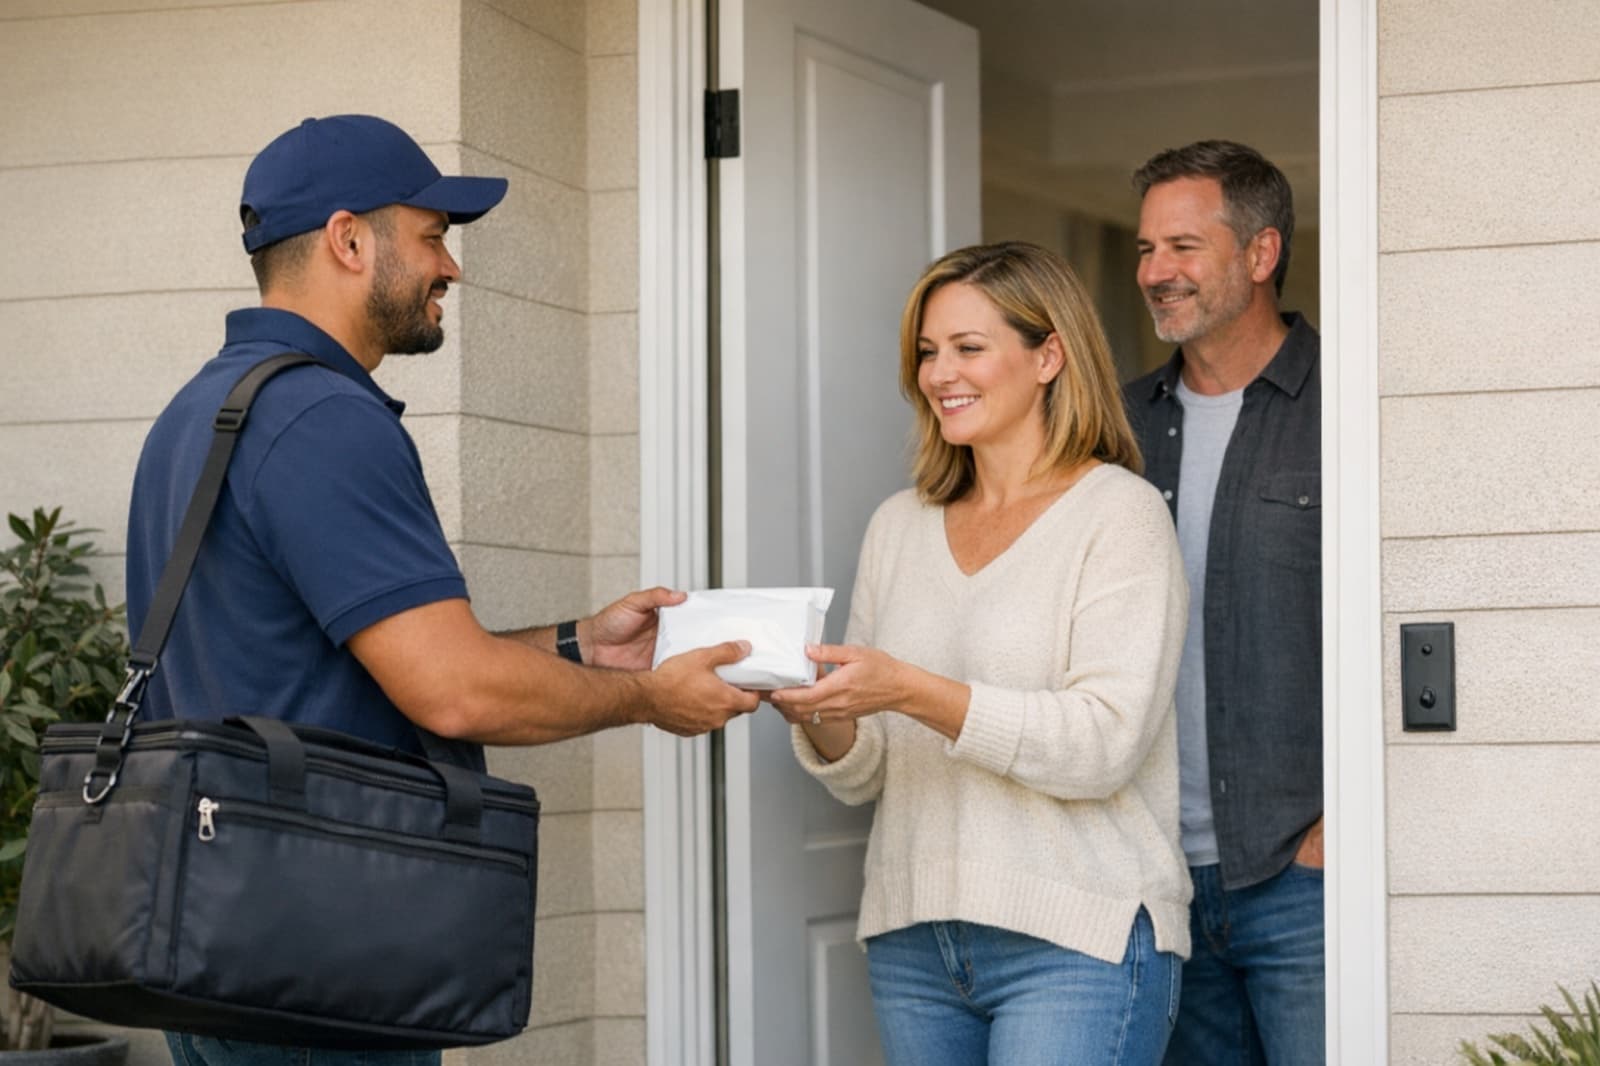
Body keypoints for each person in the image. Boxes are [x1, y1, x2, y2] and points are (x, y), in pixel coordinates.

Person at [125, 114, 760, 1066]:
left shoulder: (207, 409)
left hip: (223, 930)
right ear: (348, 240)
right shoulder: (322, 417)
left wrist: (583, 643)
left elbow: (378, 655)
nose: (450, 268)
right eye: (431, 236)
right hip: (316, 951)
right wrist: (650, 697)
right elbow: (452, 689)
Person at [769, 241, 1190, 1066]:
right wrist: (818, 705)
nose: (939, 373)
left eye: (968, 348)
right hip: (914, 942)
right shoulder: (900, 524)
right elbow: (871, 770)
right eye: (928, 352)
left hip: (1079, 941)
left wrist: (909, 687)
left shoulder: (1120, 514)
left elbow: (1103, 745)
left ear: (1048, 356)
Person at [1123, 140, 1324, 1065]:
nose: (1155, 272)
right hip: (1156, 876)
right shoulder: (1110, 428)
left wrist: (1337, 831)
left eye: (1183, 248)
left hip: (1301, 873)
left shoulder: (1347, 405)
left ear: (1260, 252)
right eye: (1144, 250)